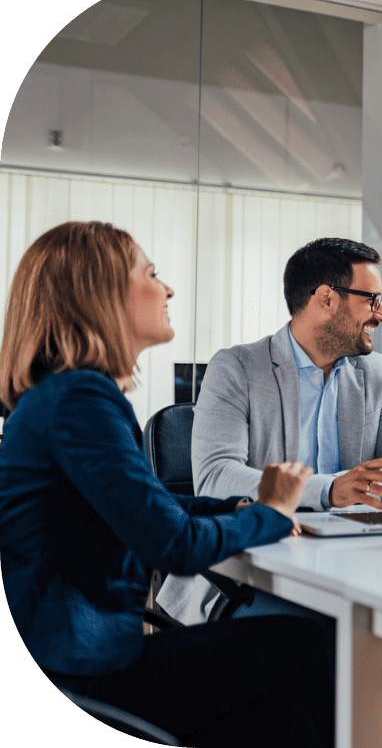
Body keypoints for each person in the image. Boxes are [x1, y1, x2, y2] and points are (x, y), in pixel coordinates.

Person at [0, 221, 333, 747]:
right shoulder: (81, 400)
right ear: (99, 293)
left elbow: (144, 505)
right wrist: (271, 515)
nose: (168, 288)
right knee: (309, 640)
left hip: (70, 658)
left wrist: (240, 504)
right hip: (85, 672)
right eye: (152, 273)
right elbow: (171, 543)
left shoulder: (60, 396)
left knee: (281, 720)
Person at [157, 236, 382, 748]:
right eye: (372, 300)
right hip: (253, 581)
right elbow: (215, 476)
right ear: (326, 299)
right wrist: (330, 490)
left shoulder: (375, 373)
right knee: (322, 638)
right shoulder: (237, 367)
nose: (381, 316)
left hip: (357, 568)